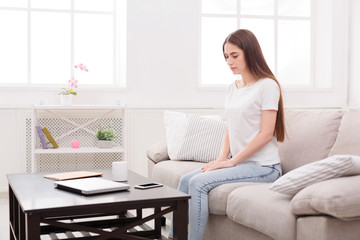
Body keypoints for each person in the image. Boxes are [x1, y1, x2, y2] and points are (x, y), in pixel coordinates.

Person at [168, 29, 285, 240]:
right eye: (226, 56)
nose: (229, 61)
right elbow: (231, 130)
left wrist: (231, 162)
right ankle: (172, 237)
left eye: (234, 55)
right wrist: (221, 159)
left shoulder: (267, 86)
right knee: (186, 180)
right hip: (242, 163)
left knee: (198, 183)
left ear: (250, 52)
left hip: (265, 167)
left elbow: (266, 134)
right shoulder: (233, 88)